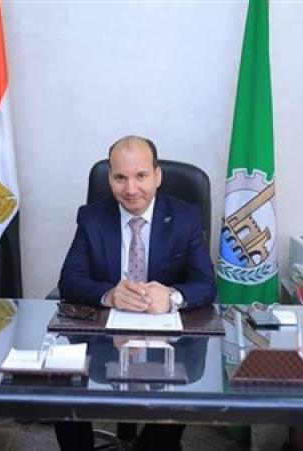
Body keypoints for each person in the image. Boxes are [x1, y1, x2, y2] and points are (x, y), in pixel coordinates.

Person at [55, 135, 217, 451]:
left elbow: (206, 284)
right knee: (62, 384)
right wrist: (109, 294)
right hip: (103, 338)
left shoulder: (185, 217)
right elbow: (69, 280)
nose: (131, 189)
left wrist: (172, 297)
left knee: (175, 393)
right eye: (120, 178)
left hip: (169, 342)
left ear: (157, 175)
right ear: (109, 178)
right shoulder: (91, 217)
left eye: (141, 176)